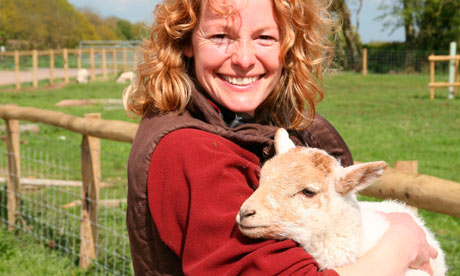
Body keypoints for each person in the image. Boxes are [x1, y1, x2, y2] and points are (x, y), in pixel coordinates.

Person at [125, 0, 438, 275]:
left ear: (288, 44)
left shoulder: (272, 128)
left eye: (264, 37)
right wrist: (400, 241)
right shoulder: (192, 151)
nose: (244, 59)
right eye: (220, 36)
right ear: (186, 40)